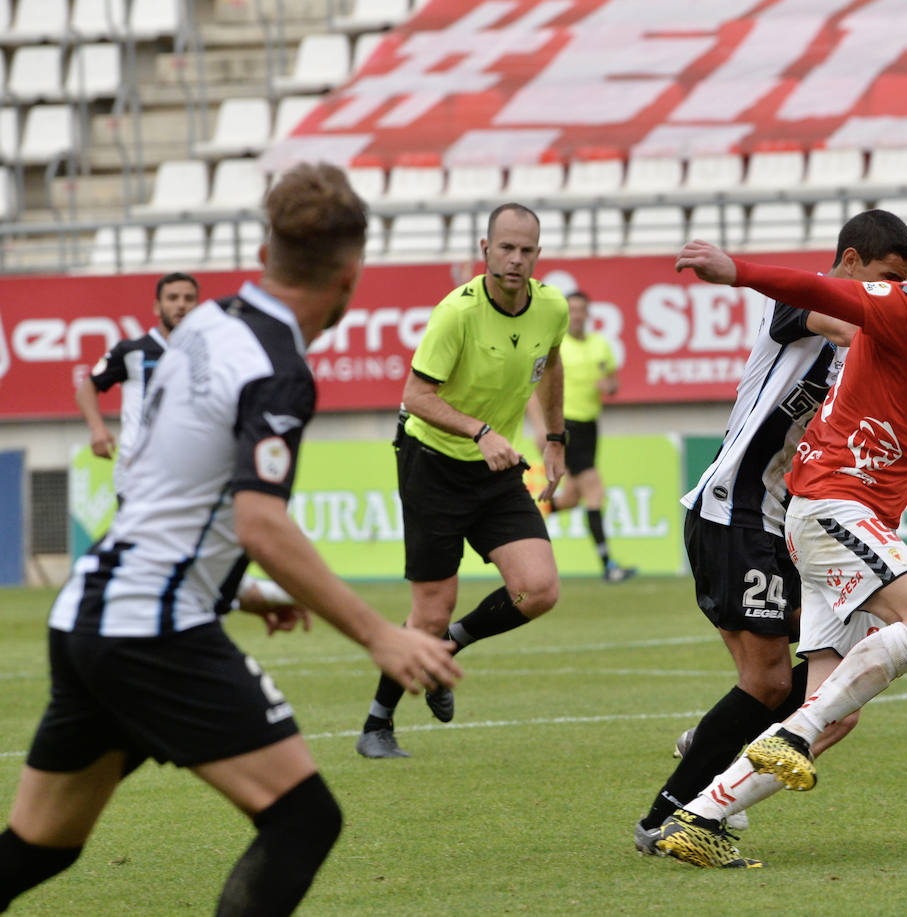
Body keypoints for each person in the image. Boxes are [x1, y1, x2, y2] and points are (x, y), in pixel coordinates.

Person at [0, 163, 461, 915]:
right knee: (304, 820)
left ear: (264, 252)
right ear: (351, 277)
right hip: (151, 630)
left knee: (39, 846)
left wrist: (236, 591)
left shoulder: (204, 323)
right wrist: (381, 635)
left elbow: (170, 493)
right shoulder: (278, 369)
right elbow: (261, 522)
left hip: (92, 611)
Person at [655, 216, 907, 868]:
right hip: (832, 503)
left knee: (836, 712)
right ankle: (790, 735)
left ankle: (701, 816)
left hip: (859, 515)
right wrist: (737, 272)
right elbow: (825, 291)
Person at [633, 210, 907, 857]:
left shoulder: (859, 344)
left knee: (836, 684)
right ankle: (666, 816)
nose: (892, 294)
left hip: (787, 524)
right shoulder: (798, 308)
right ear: (850, 263)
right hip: (732, 510)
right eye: (886, 279)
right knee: (767, 682)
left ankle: (715, 741)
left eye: (903, 286)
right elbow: (845, 320)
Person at [356, 202, 569, 759]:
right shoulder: (457, 313)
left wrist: (555, 438)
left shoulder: (552, 306)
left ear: (538, 254)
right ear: (485, 250)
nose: (515, 259)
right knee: (430, 611)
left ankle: (447, 648)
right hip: (432, 465)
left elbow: (552, 363)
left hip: (495, 466)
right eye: (506, 248)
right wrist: (480, 431)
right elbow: (415, 396)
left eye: (526, 250)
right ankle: (377, 723)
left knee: (539, 590)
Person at [526, 290, 637, 583]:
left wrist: (609, 386)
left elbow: (613, 382)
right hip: (565, 426)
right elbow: (532, 389)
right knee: (595, 490)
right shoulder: (555, 346)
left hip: (590, 428)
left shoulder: (600, 345)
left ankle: (526, 516)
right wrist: (540, 428)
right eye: (571, 310)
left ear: (588, 314)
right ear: (565, 314)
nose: (576, 315)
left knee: (572, 498)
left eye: (580, 310)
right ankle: (608, 565)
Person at [75, 272, 199, 499]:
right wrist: (97, 429)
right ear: (157, 306)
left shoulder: (206, 351)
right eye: (172, 298)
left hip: (189, 469)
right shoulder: (131, 351)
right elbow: (87, 387)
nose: (181, 305)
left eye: (188, 299)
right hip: (138, 470)